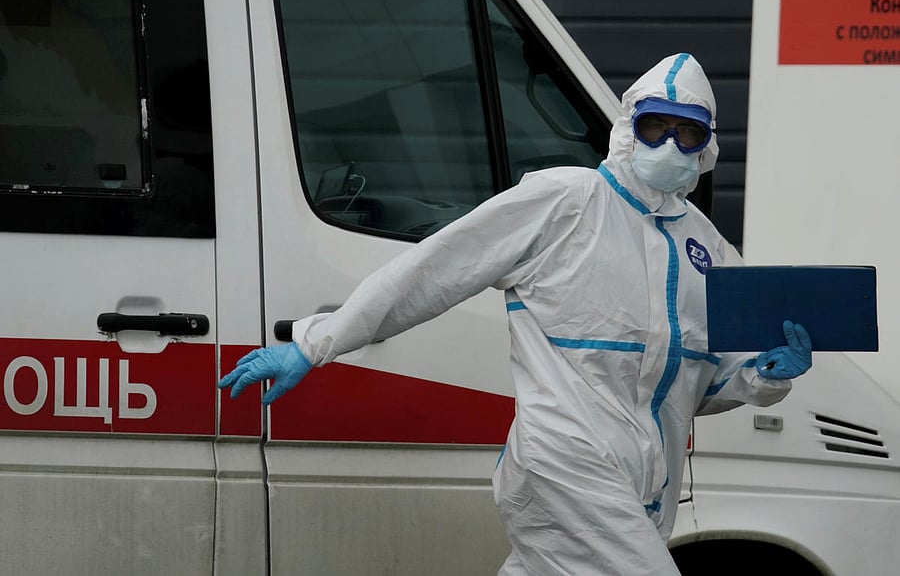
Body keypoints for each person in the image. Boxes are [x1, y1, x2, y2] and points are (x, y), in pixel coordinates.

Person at [219, 53, 813, 575]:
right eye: (656, 126)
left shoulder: (710, 251)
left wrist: (763, 376)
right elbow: (434, 270)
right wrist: (316, 341)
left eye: (688, 133)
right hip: (565, 467)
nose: (669, 145)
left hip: (645, 489)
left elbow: (701, 386)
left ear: (706, 146)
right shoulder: (566, 200)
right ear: (629, 127)